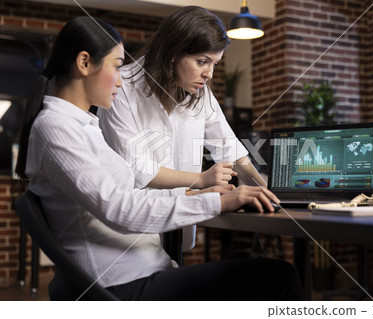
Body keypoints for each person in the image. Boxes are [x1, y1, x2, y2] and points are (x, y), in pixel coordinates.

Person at [15, 16, 303, 301]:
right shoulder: (57, 128)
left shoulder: (82, 126)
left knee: (270, 276)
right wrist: (216, 199)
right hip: (121, 285)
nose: (120, 78)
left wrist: (199, 195)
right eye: (116, 67)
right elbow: (121, 208)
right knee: (281, 277)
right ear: (84, 63)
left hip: (142, 271)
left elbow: (129, 196)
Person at [97, 6, 269, 250]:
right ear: (173, 53)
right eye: (202, 62)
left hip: (178, 222)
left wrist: (268, 194)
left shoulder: (199, 93)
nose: (209, 73)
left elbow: (230, 150)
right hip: (134, 231)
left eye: (214, 63)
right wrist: (201, 179)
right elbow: (138, 170)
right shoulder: (122, 88)